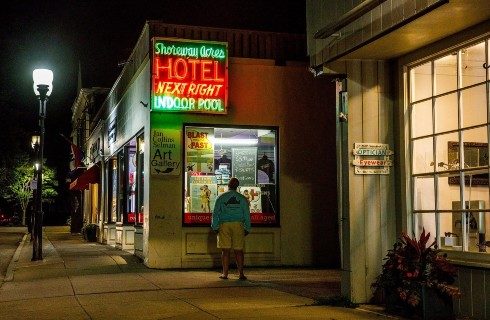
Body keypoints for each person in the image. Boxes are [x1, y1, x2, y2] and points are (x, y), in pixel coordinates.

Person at [211, 177, 251, 280]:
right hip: (238, 225)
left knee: (225, 251)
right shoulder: (242, 199)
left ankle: (225, 274)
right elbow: (247, 214)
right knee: (239, 250)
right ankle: (241, 273)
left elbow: (215, 213)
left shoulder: (221, 197)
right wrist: (247, 228)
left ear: (228, 185)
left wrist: (215, 226)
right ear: (237, 186)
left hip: (224, 225)